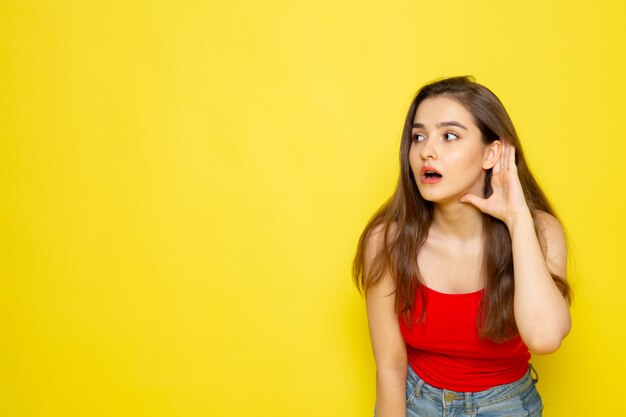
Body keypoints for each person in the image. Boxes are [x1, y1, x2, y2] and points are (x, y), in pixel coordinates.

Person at [352, 76, 572, 417]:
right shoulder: (387, 241)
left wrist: (517, 218)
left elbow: (544, 337)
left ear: (492, 153)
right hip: (415, 403)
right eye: (418, 136)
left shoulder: (540, 232)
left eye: (449, 135)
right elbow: (390, 367)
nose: (426, 150)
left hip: (508, 407)